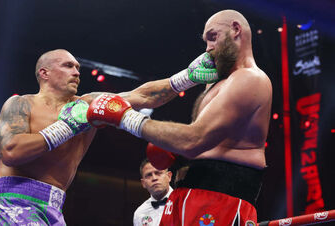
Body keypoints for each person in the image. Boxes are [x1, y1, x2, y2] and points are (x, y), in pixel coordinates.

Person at [87, 9, 272, 225]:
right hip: (187, 194)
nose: (208, 48)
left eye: (213, 37)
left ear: (236, 30)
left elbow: (194, 140)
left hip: (222, 197)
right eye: (205, 41)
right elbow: (147, 95)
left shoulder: (250, 79)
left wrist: (123, 117)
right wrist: (95, 101)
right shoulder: (215, 80)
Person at [0, 48, 214, 225]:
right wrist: (66, 127)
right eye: (68, 66)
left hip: (54, 207)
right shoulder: (21, 104)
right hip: (15, 202)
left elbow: (144, 97)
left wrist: (187, 77)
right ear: (44, 73)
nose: (77, 72)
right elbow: (11, 151)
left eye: (77, 67)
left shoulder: (88, 104)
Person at [133, 154, 173, 226]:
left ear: (169, 176)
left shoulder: (184, 202)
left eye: (158, 173)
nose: (154, 178)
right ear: (143, 183)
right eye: (149, 175)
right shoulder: (140, 213)